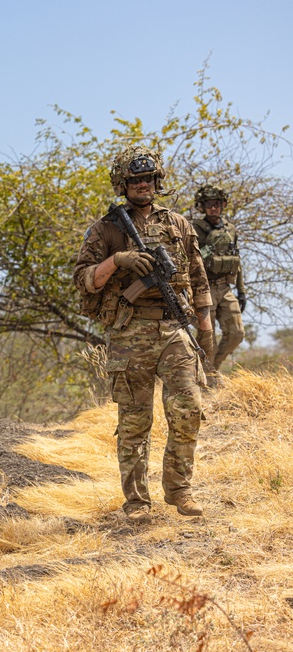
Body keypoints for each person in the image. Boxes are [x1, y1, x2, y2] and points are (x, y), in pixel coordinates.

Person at [73, 146, 214, 522]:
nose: (142, 185)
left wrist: (205, 325)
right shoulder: (106, 229)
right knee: (135, 421)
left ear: (157, 181)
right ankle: (137, 502)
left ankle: (180, 490)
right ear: (122, 183)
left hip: (173, 327)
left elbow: (198, 278)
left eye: (148, 179)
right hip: (129, 329)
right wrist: (117, 260)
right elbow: (84, 280)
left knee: (189, 411)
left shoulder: (179, 224)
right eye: (134, 180)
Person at [191, 184, 246, 377]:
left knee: (237, 333)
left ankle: (213, 368)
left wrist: (242, 292)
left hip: (225, 288)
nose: (213, 208)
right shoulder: (196, 228)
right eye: (208, 204)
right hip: (205, 290)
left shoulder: (230, 229)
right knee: (208, 337)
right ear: (202, 206)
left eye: (217, 204)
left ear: (223, 204)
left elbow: (237, 262)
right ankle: (207, 379)